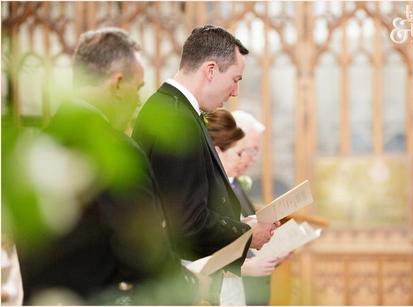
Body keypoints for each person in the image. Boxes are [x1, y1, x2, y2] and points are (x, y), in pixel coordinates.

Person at [14, 28, 200, 305]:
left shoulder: (31, 151)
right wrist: (189, 281)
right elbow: (142, 254)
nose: (138, 101)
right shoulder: (117, 152)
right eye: (137, 89)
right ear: (116, 84)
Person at [132, 25, 277, 274]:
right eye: (235, 80)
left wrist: (240, 223)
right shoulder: (176, 118)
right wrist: (247, 235)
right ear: (210, 70)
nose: (235, 92)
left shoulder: (174, 109)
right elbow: (186, 224)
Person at [207, 109, 287, 305]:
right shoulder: (205, 190)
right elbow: (201, 244)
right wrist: (246, 266)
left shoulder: (232, 185)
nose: (249, 158)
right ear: (218, 151)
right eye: (243, 152)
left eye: (253, 152)